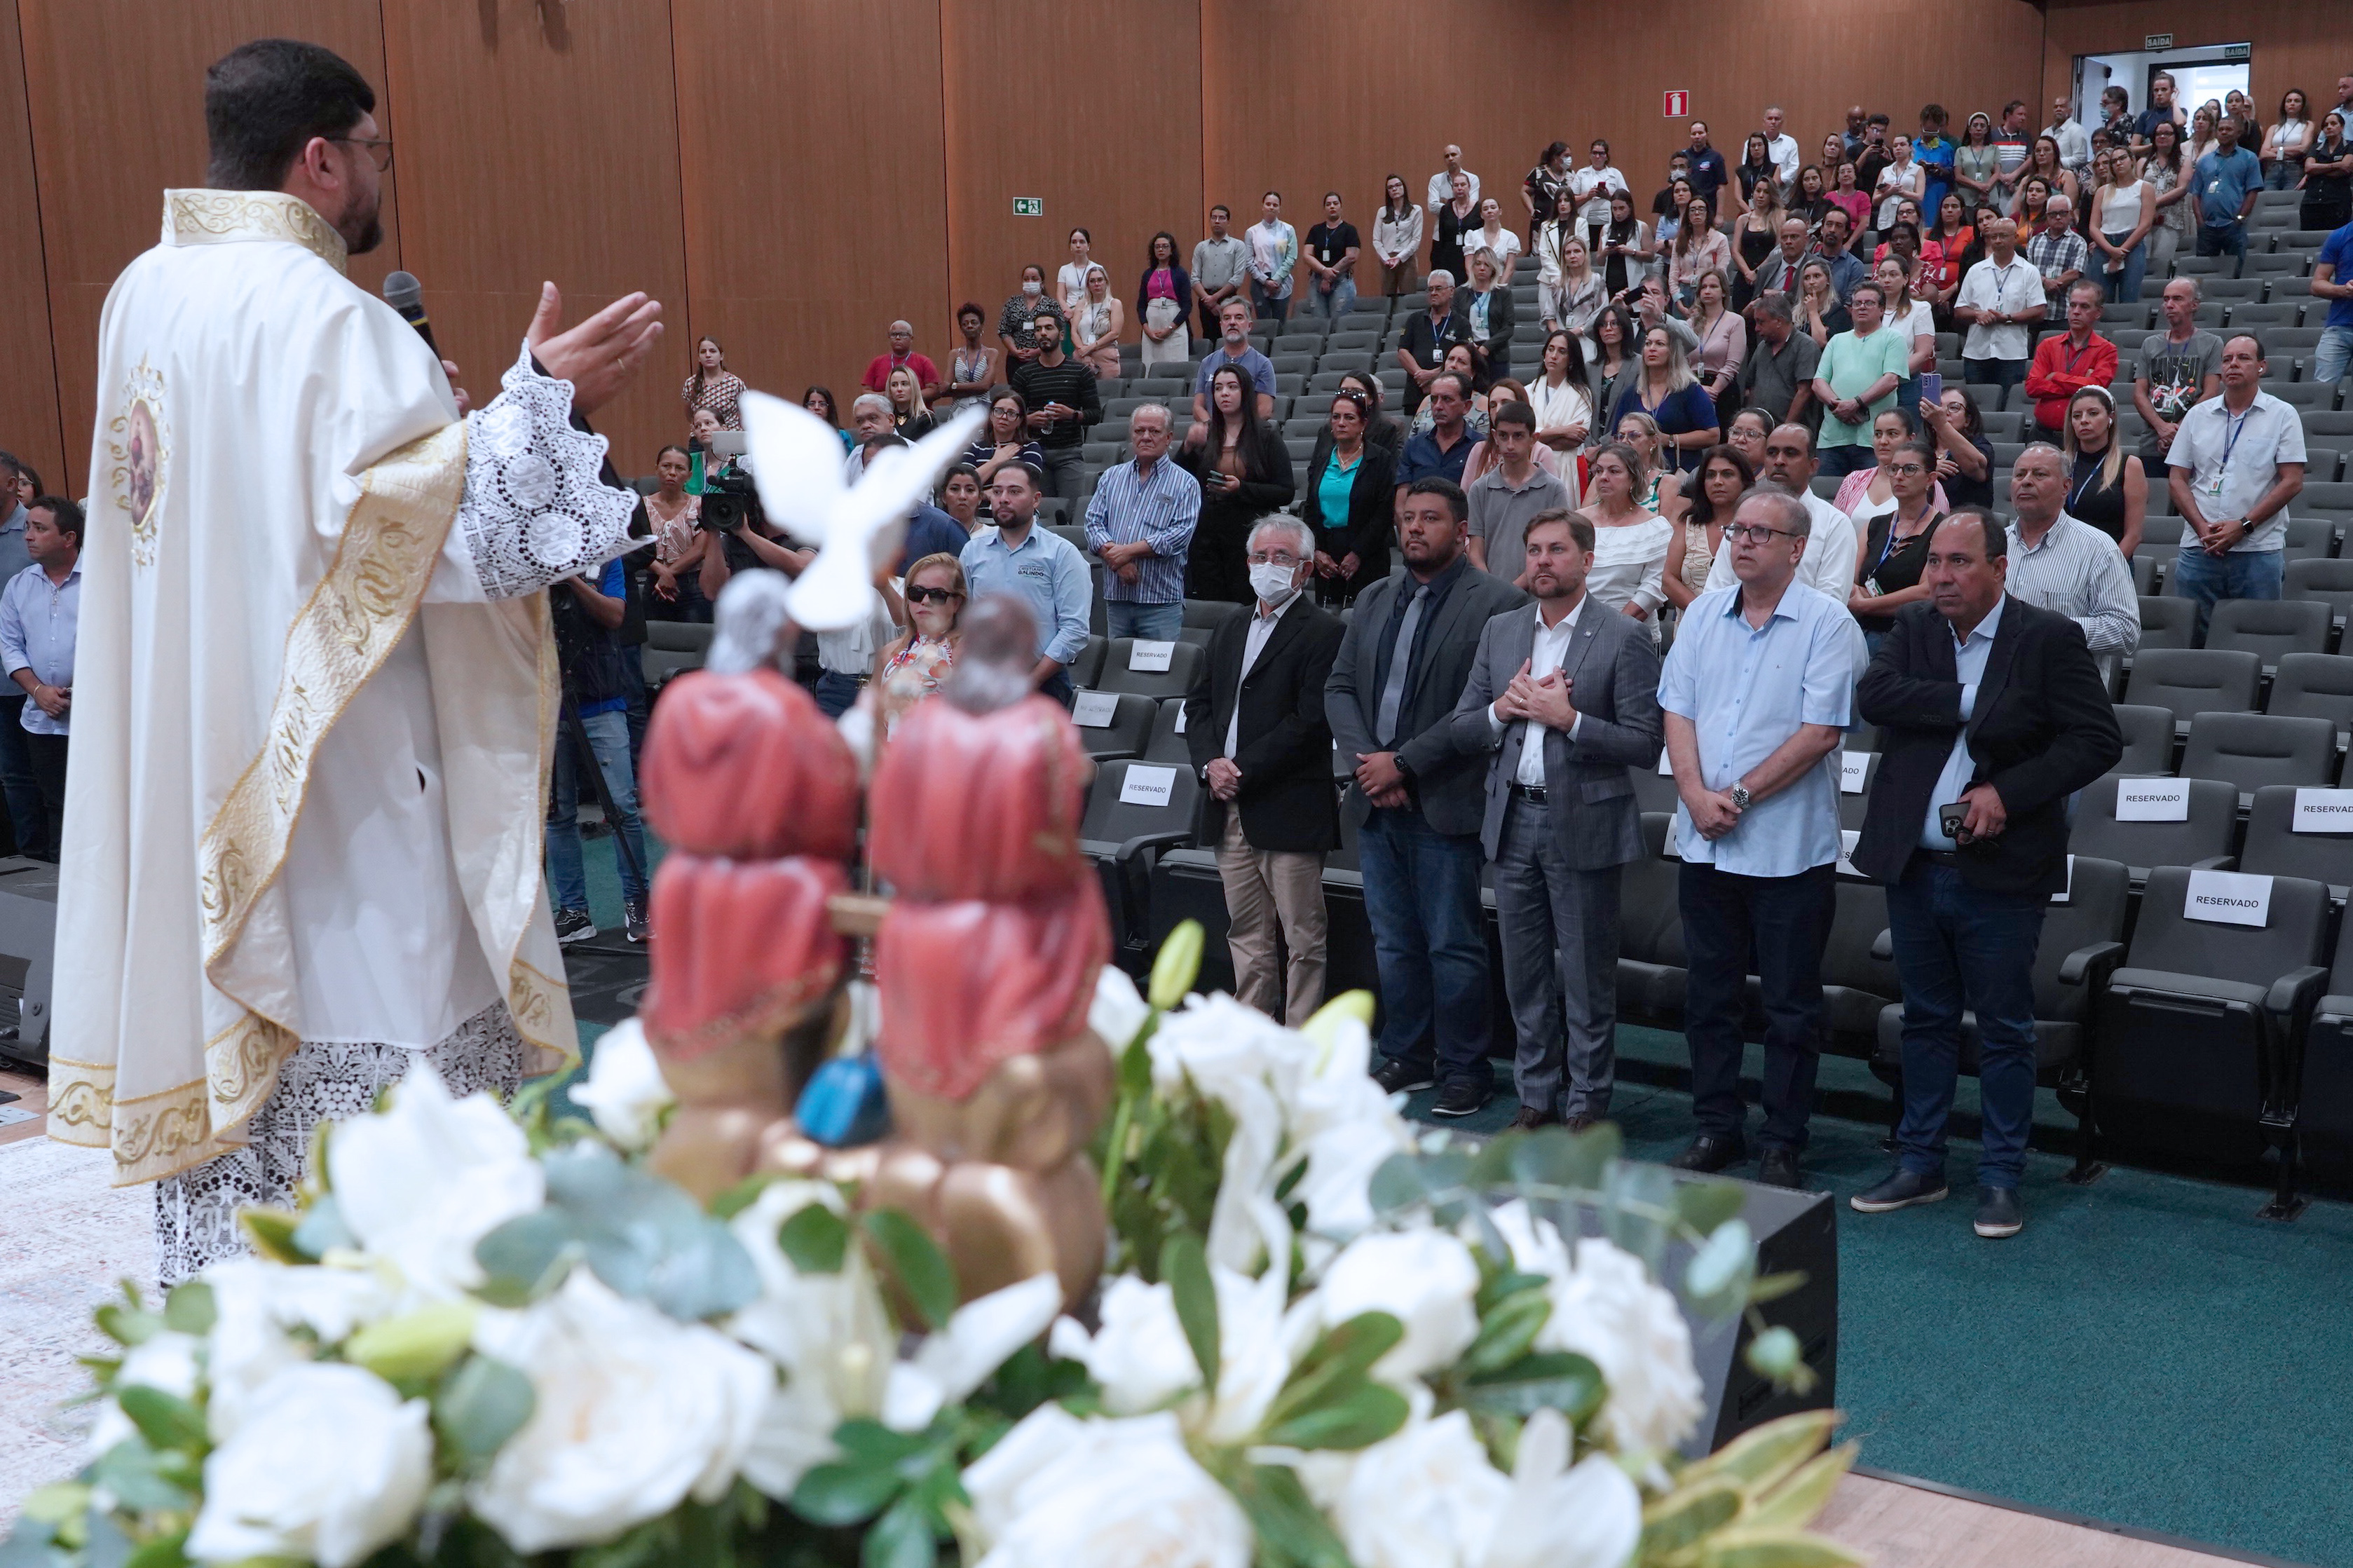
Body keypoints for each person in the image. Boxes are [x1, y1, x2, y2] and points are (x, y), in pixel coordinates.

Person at [58, 40, 667, 1272]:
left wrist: (458, 424)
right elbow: (439, 545)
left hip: (201, 753)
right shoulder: (328, 316)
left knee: (249, 1143)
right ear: (321, 159)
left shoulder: (142, 292)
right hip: (340, 805)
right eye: (375, 150)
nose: (383, 174)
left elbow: (280, 516)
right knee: (384, 1148)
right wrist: (542, 408)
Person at [1848, 509, 2122, 1239]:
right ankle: (1920, 1163)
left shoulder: (2047, 638)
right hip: (1913, 861)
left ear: (1999, 567)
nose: (1941, 576)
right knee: (1925, 1019)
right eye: (1934, 562)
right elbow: (1875, 696)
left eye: (1959, 562)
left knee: (2003, 1027)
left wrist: (2008, 791)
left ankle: (2001, 1175)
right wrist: (1972, 701)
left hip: (2001, 868)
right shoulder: (1916, 627)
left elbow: (2097, 739)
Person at [1662, 486, 1867, 1187]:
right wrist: (1695, 795)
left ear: (1797, 548)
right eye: (1738, 530)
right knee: (1709, 998)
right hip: (1706, 843)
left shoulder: (1829, 622)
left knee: (1789, 1006)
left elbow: (1820, 732)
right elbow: (1676, 711)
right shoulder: (1701, 616)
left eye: (1760, 533)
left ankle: (1783, 1138)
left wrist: (1738, 796)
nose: (1742, 541)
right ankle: (1716, 1126)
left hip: (1788, 851)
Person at [1443, 509, 1662, 1129]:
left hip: (1584, 822)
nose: (1542, 561)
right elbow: (1462, 727)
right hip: (1512, 818)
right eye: (1534, 549)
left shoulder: (1622, 636)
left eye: (1556, 550)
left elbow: (1645, 744)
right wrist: (1502, 710)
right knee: (1524, 973)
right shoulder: (1502, 630)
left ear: (1586, 561)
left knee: (1587, 975)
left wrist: (1569, 720)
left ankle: (1587, 1102)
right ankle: (1535, 1096)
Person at [1328, 477, 1529, 1117]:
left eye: (1430, 518)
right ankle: (1407, 1054)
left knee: (1452, 943)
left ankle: (1465, 1066)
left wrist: (1403, 765)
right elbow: (1339, 687)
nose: (1414, 528)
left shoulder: (1498, 602)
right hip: (1374, 797)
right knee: (1393, 941)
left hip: (1445, 797)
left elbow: (1487, 706)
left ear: (1461, 530)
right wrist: (1369, 764)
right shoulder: (1373, 596)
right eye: (1407, 517)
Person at [1185, 516, 1344, 1025]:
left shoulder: (1326, 632)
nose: (1268, 565)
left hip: (1287, 803)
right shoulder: (1231, 625)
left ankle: (1300, 1039)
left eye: (1281, 557)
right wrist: (1211, 764)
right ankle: (1252, 1030)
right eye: (1260, 556)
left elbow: (1311, 721)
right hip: (1226, 803)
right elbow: (1199, 706)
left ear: (1305, 570)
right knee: (1246, 932)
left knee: (1303, 937)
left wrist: (1239, 768)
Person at [547, 544, 655, 946]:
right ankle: (574, 912)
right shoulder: (536, 567)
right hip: (549, 704)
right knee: (558, 815)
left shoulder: (608, 560)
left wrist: (572, 581)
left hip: (602, 701)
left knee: (622, 808)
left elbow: (614, 615)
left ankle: (638, 904)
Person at [2169, 334, 2307, 634]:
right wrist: (2202, 528)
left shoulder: (2282, 415)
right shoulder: (2197, 415)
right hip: (2200, 549)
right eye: (2227, 359)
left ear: (2262, 366)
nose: (2233, 364)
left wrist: (2243, 527)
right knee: (2191, 642)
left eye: (2243, 358)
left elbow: (2292, 482)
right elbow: (2177, 478)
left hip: (2257, 550)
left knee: (2254, 638)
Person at [959, 461, 1091, 707]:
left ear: (1036, 499)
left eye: (1014, 491)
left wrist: (1031, 681)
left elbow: (1075, 629)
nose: (1003, 499)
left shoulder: (1061, 553)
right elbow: (965, 618)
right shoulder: (972, 552)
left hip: (1042, 682)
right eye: (997, 491)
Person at [2002, 444, 2141, 658]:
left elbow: (2125, 632)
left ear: (2066, 487)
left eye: (2039, 474)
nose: (2026, 481)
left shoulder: (2098, 548)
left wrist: (2050, 629)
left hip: (2061, 675)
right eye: (2020, 475)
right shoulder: (1994, 545)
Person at [1701, 425, 1862, 607]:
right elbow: (1714, 595)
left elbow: (1831, 605)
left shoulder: (1834, 524)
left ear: (1813, 466)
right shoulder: (1743, 520)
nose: (1779, 461)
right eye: (1772, 453)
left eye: (1791, 453)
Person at [0, 495, 79, 859]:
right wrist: (38, 690)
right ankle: (57, 871)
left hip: (95, 715)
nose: (28, 536)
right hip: (42, 716)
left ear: (69, 538)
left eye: (40, 529)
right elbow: (10, 647)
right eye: (28, 527)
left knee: (97, 798)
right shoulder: (19, 585)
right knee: (54, 801)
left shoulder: (104, 582)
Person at [1180, 363, 1295, 604]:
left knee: (1245, 606)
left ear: (1245, 392)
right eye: (1218, 388)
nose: (1224, 393)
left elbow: (1285, 491)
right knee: (1213, 607)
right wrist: (1187, 447)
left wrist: (1241, 489)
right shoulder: (1206, 434)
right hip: (1209, 539)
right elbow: (1180, 480)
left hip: (1249, 536)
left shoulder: (1266, 436)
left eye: (1232, 387)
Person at [1085, 403, 1200, 641]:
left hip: (1160, 603)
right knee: (1117, 664)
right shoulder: (1111, 477)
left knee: (1158, 666)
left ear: (1169, 438)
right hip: (1117, 599)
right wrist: (1118, 562)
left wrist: (1126, 552)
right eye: (1139, 431)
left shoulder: (1185, 483)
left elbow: (1179, 535)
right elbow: (1093, 524)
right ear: (1132, 435)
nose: (1146, 437)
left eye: (1154, 431)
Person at [1847, 437, 1945, 646]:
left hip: (1912, 637)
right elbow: (1851, 582)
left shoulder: (1943, 528)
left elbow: (1927, 592)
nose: (1899, 476)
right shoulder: (1874, 525)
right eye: (1894, 469)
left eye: (1909, 469)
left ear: (1931, 479)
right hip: (1862, 632)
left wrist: (1865, 605)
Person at [1303, 389, 1398, 604]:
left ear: (1364, 424)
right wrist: (1317, 551)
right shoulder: (1322, 459)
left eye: (1349, 418)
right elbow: (1310, 508)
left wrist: (1358, 553)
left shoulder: (1380, 459)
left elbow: (1384, 512)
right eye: (1336, 417)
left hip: (1367, 554)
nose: (1341, 423)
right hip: (1327, 555)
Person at [1810, 281, 1909, 478]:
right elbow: (1818, 382)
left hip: (1873, 440)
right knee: (1826, 491)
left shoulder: (1893, 338)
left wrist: (1856, 404)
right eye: (1857, 303)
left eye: (1869, 303)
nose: (1862, 307)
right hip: (1832, 438)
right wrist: (1839, 407)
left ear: (1882, 309)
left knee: (1870, 494)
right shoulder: (1837, 340)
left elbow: (1891, 380)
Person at [1467, 400, 1572, 582]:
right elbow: (1475, 551)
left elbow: (1556, 547)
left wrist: (1513, 589)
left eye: (1518, 436)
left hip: (1537, 591)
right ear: (1495, 436)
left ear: (1533, 439)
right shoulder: (1480, 489)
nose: (1510, 445)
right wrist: (1491, 588)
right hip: (1491, 591)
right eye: (1503, 436)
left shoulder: (1553, 489)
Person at [1576, 441, 1673, 630]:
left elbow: (1654, 587)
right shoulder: (1577, 522)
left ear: (1633, 479)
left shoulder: (1655, 527)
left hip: (1631, 630)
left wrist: (1614, 627)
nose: (1604, 477)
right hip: (1579, 625)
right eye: (1599, 471)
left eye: (1614, 471)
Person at [871, 553, 964, 737]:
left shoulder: (964, 652)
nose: (925, 601)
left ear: (956, 603)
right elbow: (876, 723)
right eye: (916, 593)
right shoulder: (889, 653)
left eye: (937, 595)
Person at [1008, 314, 1099, 498]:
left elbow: (1095, 415)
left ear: (1062, 335)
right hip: (1034, 453)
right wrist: (1028, 420)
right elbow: (1010, 416)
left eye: (1049, 328)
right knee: (1040, 509)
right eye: (1038, 329)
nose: (1043, 333)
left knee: (1072, 509)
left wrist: (1071, 415)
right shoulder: (1023, 374)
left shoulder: (1080, 372)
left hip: (1070, 454)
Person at [2021, 280, 2117, 444]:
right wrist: (2082, 382)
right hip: (2043, 433)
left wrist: (2055, 377)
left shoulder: (2107, 350)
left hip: (2081, 439)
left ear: (2098, 313)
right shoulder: (2048, 345)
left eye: (2084, 307)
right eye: (2073, 305)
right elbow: (2033, 387)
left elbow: (2096, 388)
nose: (2076, 312)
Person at [1953, 217, 2044, 391]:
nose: (1997, 241)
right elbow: (1959, 310)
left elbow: (2039, 311)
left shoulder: (2029, 271)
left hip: (2011, 353)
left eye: (2003, 236)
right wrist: (1977, 314)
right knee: (1976, 401)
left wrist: (2007, 318)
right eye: (1993, 237)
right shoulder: (1976, 271)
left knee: (2007, 401)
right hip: (1977, 352)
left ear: (2015, 238)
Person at [2057, 385, 2146, 557]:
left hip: (2112, 561)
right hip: (2062, 561)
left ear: (2110, 418)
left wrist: (2107, 566)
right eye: (2077, 416)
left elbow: (2133, 535)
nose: (2084, 420)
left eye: (2093, 413)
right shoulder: (2059, 462)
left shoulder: (2129, 465)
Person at [1613, 324, 1717, 472]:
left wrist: (1669, 440)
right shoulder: (1632, 392)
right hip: (1638, 473)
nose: (1652, 348)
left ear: (1673, 352)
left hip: (1679, 472)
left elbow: (1713, 435)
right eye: (1648, 343)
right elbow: (1615, 436)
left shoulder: (1689, 390)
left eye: (1660, 344)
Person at [1663, 442, 1753, 609]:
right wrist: (1705, 614)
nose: (1717, 482)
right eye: (1710, 475)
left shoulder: (1756, 528)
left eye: (1727, 474)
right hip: (1693, 618)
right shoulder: (1687, 523)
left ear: (1744, 481)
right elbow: (1668, 580)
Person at [1834, 406, 1951, 523]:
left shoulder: (1926, 483)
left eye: (1892, 434)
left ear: (1910, 439)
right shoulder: (1853, 480)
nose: (1883, 441)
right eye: (1878, 434)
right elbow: (1834, 525)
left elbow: (1941, 527)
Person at [1396, 269, 1478, 415]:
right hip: (1416, 392)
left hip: (1450, 396)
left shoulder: (1462, 323)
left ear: (1451, 291)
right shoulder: (1414, 319)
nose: (1433, 293)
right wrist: (1420, 375)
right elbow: (1403, 351)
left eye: (1438, 289)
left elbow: (1466, 357)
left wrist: (1434, 375)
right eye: (1430, 289)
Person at [643, 444, 709, 623]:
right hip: (653, 583)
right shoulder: (642, 506)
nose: (672, 473)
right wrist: (661, 573)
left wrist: (667, 574)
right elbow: (636, 546)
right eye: (666, 466)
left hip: (692, 586)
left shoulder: (699, 505)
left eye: (679, 468)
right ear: (656, 469)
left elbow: (701, 549)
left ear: (689, 475)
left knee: (693, 636)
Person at [1194, 296, 1278, 423]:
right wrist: (1213, 428)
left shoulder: (1263, 364)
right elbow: (1198, 407)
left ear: (1249, 326)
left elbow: (1265, 409)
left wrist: (1236, 430)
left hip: (1248, 432)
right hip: (1213, 431)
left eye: (1238, 318)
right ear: (1221, 325)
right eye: (1227, 318)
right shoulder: (1207, 363)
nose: (1232, 322)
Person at [2191, 115, 2263, 261]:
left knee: (2236, 268)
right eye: (2221, 129)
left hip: (2234, 226)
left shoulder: (2249, 158)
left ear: (2238, 133)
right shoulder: (2204, 161)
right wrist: (2200, 222)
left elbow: (2252, 192)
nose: (2224, 132)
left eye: (2229, 129)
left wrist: (2240, 218)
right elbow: (2196, 194)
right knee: (2204, 270)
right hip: (2208, 227)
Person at [2087, 146, 2155, 304]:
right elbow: (2093, 227)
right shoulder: (2103, 191)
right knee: (2101, 299)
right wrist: (2111, 250)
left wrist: (2122, 250)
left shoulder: (2145, 187)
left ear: (2132, 160)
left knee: (2129, 298)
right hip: (2105, 245)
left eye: (2122, 158)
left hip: (2132, 244)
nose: (2118, 163)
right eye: (2114, 161)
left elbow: (2145, 225)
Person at [1875, 255, 1935, 416]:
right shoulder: (1870, 310)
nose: (1887, 280)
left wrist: (1891, 375)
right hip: (1871, 384)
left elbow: (1923, 353)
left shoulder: (1920, 309)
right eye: (1882, 275)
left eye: (1893, 275)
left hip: (1906, 385)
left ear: (1906, 279)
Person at [1527, 328, 1595, 457]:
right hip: (1531, 462)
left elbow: (1574, 440)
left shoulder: (1582, 394)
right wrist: (1563, 431)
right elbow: (1522, 435)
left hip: (1567, 463)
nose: (1554, 356)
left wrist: (1535, 438)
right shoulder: (1527, 391)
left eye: (1562, 351)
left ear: (1571, 359)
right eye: (1551, 349)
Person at [1925, 384, 1995, 510]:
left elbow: (1975, 467)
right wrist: (1928, 468)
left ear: (1968, 420)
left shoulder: (1979, 445)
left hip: (1965, 518)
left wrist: (1941, 424)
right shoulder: (1923, 449)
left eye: (1954, 407)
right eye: (1939, 406)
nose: (1943, 412)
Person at [2139, 118, 2192, 276]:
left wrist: (2153, 203)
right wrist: (2149, 207)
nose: (2162, 137)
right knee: (2141, 265)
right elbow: (2136, 189)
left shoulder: (2184, 161)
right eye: (2159, 134)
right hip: (2144, 221)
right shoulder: (2143, 162)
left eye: (2167, 133)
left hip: (2170, 220)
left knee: (2161, 266)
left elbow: (2182, 188)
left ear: (2176, 137)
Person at [1133, 233, 1192, 371]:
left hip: (1174, 325)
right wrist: (1146, 329)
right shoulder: (1148, 274)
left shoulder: (1180, 273)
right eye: (1157, 247)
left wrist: (1170, 328)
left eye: (1165, 246)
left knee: (1175, 367)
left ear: (1172, 250)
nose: (1161, 250)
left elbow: (1187, 306)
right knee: (1151, 366)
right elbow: (1141, 305)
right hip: (1152, 325)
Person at [1192, 205, 1250, 339]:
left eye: (1222, 218)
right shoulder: (1201, 247)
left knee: (1229, 336)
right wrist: (1209, 300)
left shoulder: (1238, 246)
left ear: (1228, 222)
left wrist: (1215, 298)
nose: (1217, 221)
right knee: (1208, 337)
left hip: (1228, 298)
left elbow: (1237, 279)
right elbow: (1194, 279)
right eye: (1214, 218)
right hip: (1205, 299)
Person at [2024, 194, 2089, 315]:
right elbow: (2028, 271)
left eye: (2063, 213)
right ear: (2047, 216)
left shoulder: (2078, 242)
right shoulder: (2035, 241)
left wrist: (2051, 285)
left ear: (2070, 214)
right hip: (2036, 311)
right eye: (2053, 214)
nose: (2058, 217)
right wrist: (2045, 282)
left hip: (2064, 310)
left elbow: (2074, 273)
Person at [997, 263, 1067, 371]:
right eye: (1026, 279)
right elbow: (1003, 330)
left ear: (1042, 283)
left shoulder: (1052, 305)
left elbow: (1060, 330)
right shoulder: (1012, 303)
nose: (1030, 282)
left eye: (1034, 279)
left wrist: (1037, 351)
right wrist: (1015, 351)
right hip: (1016, 360)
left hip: (1045, 358)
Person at [1303, 191, 1361, 321]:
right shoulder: (1316, 230)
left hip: (1342, 281)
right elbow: (1307, 255)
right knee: (1319, 324)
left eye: (1335, 203)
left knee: (1339, 323)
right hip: (1317, 280)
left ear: (1341, 207)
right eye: (1328, 204)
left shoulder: (1349, 230)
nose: (1332, 207)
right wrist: (1324, 271)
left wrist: (1329, 276)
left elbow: (1352, 257)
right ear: (1324, 208)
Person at [1245, 191, 1300, 325]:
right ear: (1262, 207)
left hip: (1281, 283)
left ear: (1279, 208)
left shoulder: (1288, 230)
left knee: (1280, 324)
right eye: (1268, 204)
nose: (1271, 207)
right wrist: (1265, 281)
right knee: (1264, 324)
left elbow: (1291, 258)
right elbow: (1248, 262)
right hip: (1259, 282)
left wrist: (1276, 280)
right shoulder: (1252, 232)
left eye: (1275, 205)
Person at [1731, 177, 1786, 309]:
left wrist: (1757, 272)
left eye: (1766, 192)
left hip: (1768, 276)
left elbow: (1778, 250)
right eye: (1758, 191)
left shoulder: (1779, 218)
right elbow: (1735, 251)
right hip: (1744, 277)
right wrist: (1747, 273)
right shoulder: (1743, 219)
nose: (1761, 196)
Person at [2314, 210, 2353, 387]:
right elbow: (2317, 284)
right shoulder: (2339, 236)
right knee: (2322, 389)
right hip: (2339, 327)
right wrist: (2344, 290)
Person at [861, 319, 943, 402]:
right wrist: (885, 396)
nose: (898, 338)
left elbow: (934, 390)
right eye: (894, 335)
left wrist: (908, 396)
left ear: (911, 338)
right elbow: (865, 391)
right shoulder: (877, 362)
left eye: (903, 335)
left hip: (916, 408)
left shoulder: (924, 361)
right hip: (885, 408)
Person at [1372, 175, 1424, 299]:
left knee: (1408, 298)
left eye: (1398, 185)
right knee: (1387, 298)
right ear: (1388, 192)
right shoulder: (1382, 212)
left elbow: (1416, 240)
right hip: (1387, 260)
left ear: (1404, 188)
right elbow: (1376, 240)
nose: (1394, 189)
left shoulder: (1415, 210)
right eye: (1390, 187)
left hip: (1407, 259)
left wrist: (1400, 258)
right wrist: (1387, 259)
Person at [1571, 141, 1629, 251]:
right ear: (1590, 155)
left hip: (1610, 221)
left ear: (1606, 156)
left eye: (1601, 153)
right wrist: (1588, 196)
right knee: (1586, 250)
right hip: (1587, 222)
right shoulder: (1582, 174)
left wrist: (1608, 196)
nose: (1597, 157)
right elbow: (1571, 200)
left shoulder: (1615, 174)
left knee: (1607, 250)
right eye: (1595, 153)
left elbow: (1626, 199)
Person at [1597, 190, 1654, 299]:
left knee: (1633, 307)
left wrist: (1631, 252)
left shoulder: (1641, 227)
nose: (1618, 213)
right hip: (1610, 282)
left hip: (1633, 281)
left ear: (1630, 208)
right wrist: (1606, 253)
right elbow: (1600, 261)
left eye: (1622, 208)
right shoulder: (1606, 229)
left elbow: (1650, 256)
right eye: (1614, 209)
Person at [942, 303, 1000, 412]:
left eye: (974, 323)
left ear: (981, 326)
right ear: (961, 329)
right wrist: (977, 387)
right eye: (965, 324)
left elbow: (985, 386)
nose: (969, 326)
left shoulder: (991, 353)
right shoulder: (954, 354)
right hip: (958, 411)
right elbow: (944, 389)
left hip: (982, 411)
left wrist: (954, 386)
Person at [1524, 140, 1572, 245]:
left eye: (1570, 156)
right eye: (1566, 156)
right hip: (1542, 221)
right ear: (1556, 157)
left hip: (1564, 222)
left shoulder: (1571, 174)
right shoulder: (1539, 172)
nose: (1569, 159)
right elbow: (1524, 192)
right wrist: (1532, 210)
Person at [1472, 196, 1524, 285]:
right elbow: (1469, 265)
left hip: (1501, 284)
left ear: (1500, 211)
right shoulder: (1473, 236)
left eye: (1493, 207)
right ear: (1481, 215)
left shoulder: (1510, 237)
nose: (1489, 211)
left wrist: (1500, 287)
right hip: (1478, 284)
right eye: (1485, 209)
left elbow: (1510, 268)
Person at [1991, 100, 2033, 210]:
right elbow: (1988, 159)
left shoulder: (2026, 136)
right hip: (1995, 186)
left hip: (2017, 187)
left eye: (2025, 115)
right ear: (2008, 116)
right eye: (2020, 114)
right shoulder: (1993, 135)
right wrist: (2002, 177)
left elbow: (2030, 159)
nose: (2023, 118)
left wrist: (2014, 175)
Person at [883, 365, 935, 440]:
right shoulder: (886, 419)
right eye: (894, 385)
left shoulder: (927, 419)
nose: (899, 389)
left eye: (904, 384)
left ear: (914, 387)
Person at [1427, 145, 1481, 214]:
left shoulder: (1472, 179)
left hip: (1467, 221)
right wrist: (1460, 206)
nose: (1450, 158)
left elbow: (1473, 206)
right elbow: (1432, 207)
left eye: (1453, 155)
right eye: (1447, 156)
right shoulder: (1436, 180)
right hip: (1444, 221)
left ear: (1461, 157)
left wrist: (1447, 204)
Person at [1056, 226, 1097, 316]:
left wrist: (1078, 311)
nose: (1078, 246)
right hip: (1069, 313)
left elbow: (1100, 295)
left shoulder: (1097, 269)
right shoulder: (1064, 269)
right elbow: (1060, 297)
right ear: (1070, 246)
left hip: (1090, 311)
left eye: (1082, 242)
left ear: (1088, 246)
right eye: (1074, 242)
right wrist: (1067, 311)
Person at [1761, 107, 1801, 193]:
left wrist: (1775, 182)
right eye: (1770, 118)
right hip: (1759, 192)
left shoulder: (1790, 143)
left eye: (1777, 119)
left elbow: (1793, 168)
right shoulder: (1754, 143)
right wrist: (1763, 184)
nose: (1773, 122)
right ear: (1764, 121)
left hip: (1782, 194)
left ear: (1782, 122)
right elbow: (1747, 166)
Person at [803, 385, 850, 451]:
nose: (817, 407)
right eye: (812, 404)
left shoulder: (842, 436)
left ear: (829, 408)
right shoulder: (797, 435)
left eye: (822, 404)